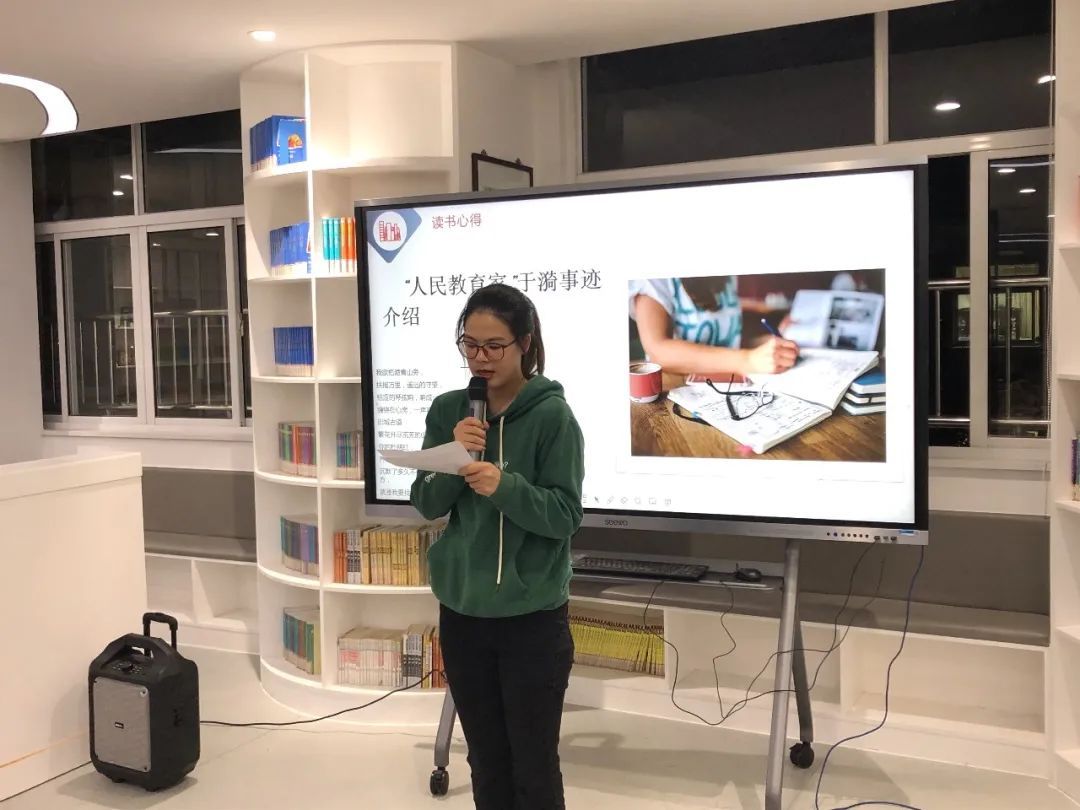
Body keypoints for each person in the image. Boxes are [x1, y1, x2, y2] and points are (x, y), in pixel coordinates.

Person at [411, 283, 585, 810]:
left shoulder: (553, 417)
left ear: (524, 344)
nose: (480, 358)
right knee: (485, 759)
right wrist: (455, 456)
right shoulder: (450, 409)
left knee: (533, 764)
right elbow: (426, 502)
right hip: (463, 614)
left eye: (494, 346)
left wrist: (504, 487)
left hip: (532, 619)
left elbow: (565, 516)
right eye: (470, 344)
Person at [630, 275, 798, 377]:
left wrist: (768, 343)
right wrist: (748, 360)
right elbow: (658, 351)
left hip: (731, 383)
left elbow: (728, 341)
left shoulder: (727, 277)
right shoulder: (653, 279)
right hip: (677, 389)